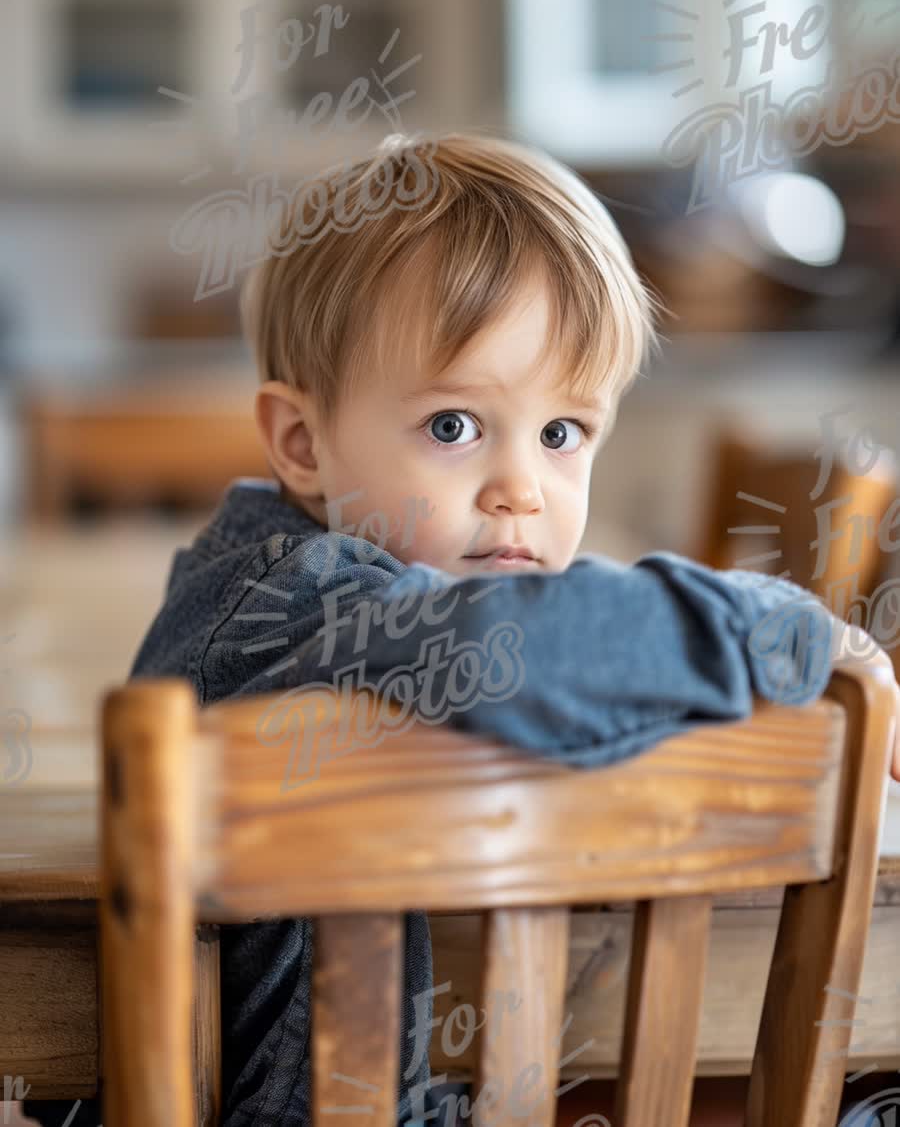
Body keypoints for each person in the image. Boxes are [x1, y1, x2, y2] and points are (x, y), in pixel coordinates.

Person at [23, 131, 897, 1127]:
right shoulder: (302, 600)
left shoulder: (276, 569)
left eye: (563, 433)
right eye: (454, 426)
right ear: (303, 445)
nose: (521, 488)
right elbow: (526, 649)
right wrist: (791, 628)